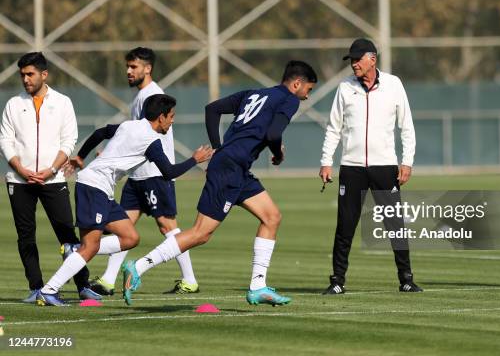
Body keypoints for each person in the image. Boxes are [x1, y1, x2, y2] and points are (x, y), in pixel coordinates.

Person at [121, 60, 317, 306]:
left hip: (236, 167)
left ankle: (257, 286)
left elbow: (212, 109)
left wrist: (217, 147)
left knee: (272, 217)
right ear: (297, 84)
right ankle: (138, 266)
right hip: (230, 169)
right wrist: (277, 152)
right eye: (308, 90)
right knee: (201, 233)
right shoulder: (289, 99)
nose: (307, 96)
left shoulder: (254, 93)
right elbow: (273, 134)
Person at [35, 94, 212, 305]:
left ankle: (75, 251)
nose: (172, 121)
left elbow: (101, 132)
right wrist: (195, 159)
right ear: (161, 117)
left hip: (102, 189)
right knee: (90, 247)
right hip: (93, 186)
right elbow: (169, 172)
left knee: (130, 238)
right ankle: (49, 290)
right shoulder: (151, 141)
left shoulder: (128, 125)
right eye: (171, 116)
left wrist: (82, 156)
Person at [88, 47, 200, 297]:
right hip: (137, 173)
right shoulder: (140, 96)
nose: (128, 71)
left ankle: (190, 279)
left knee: (167, 225)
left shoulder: (154, 95)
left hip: (153, 173)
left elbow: (146, 136)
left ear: (147, 69)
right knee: (123, 227)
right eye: (127, 66)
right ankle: (107, 280)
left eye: (134, 67)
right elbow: (131, 134)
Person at [319, 38, 422, 294]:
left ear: (372, 59)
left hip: (384, 167)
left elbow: (406, 126)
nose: (353, 64)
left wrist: (407, 161)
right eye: (351, 60)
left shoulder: (393, 84)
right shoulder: (345, 88)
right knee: (345, 226)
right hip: (351, 168)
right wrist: (326, 161)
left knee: (395, 225)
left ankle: (406, 279)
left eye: (357, 59)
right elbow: (334, 128)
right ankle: (337, 281)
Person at [0, 52, 100, 302]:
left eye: (30, 74)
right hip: (19, 180)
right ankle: (36, 288)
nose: (25, 79)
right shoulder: (13, 104)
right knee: (25, 236)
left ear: (44, 75)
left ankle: (83, 285)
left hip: (53, 180)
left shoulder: (63, 102)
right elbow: (5, 141)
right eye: (22, 74)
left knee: (67, 234)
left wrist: (52, 169)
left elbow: (69, 140)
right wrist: (20, 169)